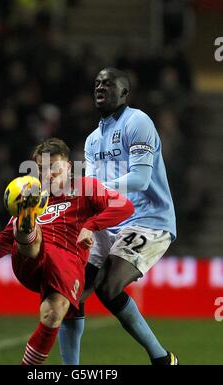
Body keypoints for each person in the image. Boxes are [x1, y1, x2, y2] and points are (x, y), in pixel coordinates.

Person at [0, 138, 134, 365]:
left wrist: (90, 226)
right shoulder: (35, 194)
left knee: (53, 313)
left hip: (66, 263)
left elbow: (124, 207)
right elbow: (5, 238)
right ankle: (27, 227)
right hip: (30, 259)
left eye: (54, 167)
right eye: (42, 169)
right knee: (29, 233)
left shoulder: (85, 187)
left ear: (68, 167)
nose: (48, 175)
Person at [58, 67, 179, 365]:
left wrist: (91, 187)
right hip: (110, 224)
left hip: (149, 221)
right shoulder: (91, 141)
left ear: (124, 92)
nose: (100, 87)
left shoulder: (138, 122)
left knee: (109, 287)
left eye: (109, 83)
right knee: (70, 295)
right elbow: (94, 195)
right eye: (97, 83)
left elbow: (139, 180)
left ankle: (162, 358)